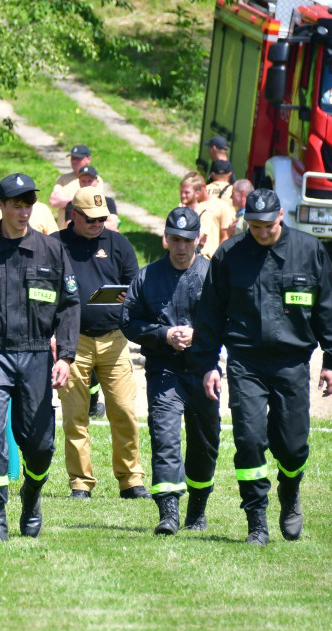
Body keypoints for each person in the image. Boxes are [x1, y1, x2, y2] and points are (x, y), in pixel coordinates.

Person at [193, 188, 332, 545]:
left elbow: (328, 305)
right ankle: (256, 520)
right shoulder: (230, 254)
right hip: (245, 362)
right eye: (254, 226)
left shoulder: (308, 251)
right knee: (249, 440)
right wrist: (207, 363)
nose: (261, 232)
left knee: (292, 446)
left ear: (281, 216)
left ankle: (290, 493)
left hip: (291, 361)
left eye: (267, 225)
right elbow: (210, 314)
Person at [0, 173, 81, 541]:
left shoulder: (51, 251)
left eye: (29, 204)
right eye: (17, 205)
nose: (24, 211)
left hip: (38, 353)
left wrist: (66, 356)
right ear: (2, 207)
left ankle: (32, 493)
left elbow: (70, 305)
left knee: (40, 444)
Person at [120, 207, 221, 534]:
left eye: (187, 241)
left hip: (204, 370)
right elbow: (128, 322)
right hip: (164, 371)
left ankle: (197, 509)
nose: (181, 247)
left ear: (198, 241)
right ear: (165, 239)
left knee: (205, 443)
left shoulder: (213, 275)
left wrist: (200, 335)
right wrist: (163, 335)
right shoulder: (147, 277)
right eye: (175, 240)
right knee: (165, 438)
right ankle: (168, 513)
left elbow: (230, 320)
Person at [55, 187, 147, 500]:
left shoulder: (118, 243)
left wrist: (126, 298)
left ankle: (131, 480)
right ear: (74, 215)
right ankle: (80, 484)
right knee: (75, 416)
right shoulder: (55, 244)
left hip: (114, 339)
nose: (98, 223)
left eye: (103, 218)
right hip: (72, 342)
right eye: (91, 218)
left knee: (123, 409)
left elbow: (136, 287)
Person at [49, 144, 100, 220]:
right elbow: (53, 201)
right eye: (72, 158)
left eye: (78, 159)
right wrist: (79, 201)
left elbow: (94, 201)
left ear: (88, 159)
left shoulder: (95, 179)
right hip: (63, 229)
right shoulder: (62, 179)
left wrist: (65, 201)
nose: (74, 161)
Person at [179, 172, 224, 258]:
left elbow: (195, 239)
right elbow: (166, 243)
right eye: (181, 192)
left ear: (197, 193)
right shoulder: (178, 212)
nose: (183, 196)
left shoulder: (205, 213)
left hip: (203, 259)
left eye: (187, 193)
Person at [63, 166, 119, 232]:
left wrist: (87, 225)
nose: (87, 184)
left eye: (90, 181)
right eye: (83, 181)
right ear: (79, 183)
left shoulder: (108, 201)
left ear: (97, 181)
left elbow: (113, 224)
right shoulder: (72, 204)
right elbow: (71, 226)